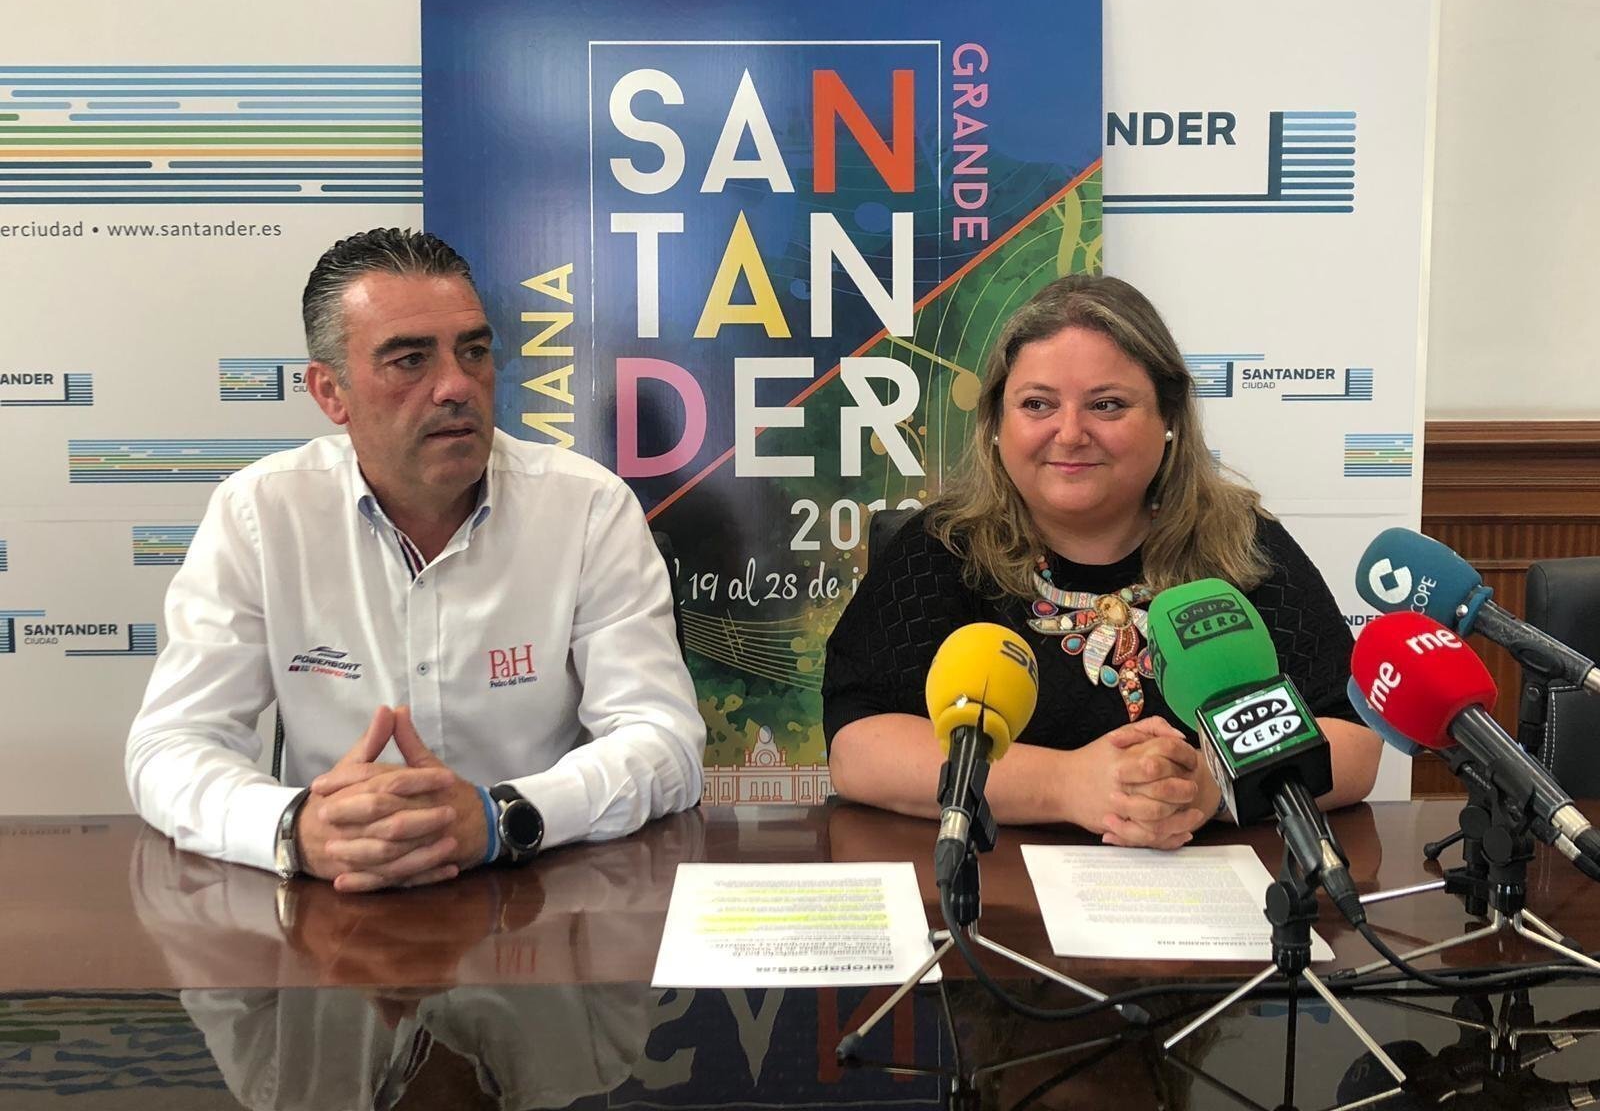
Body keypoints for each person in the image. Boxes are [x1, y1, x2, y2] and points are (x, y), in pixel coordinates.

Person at [126, 228, 705, 890]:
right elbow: (171, 747)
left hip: (537, 890)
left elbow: (665, 741)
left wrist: (502, 816)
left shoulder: (587, 508)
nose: (456, 386)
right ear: (330, 392)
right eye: (410, 361)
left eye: (474, 352)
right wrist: (296, 828)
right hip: (336, 898)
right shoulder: (261, 513)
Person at [822, 274, 1379, 849]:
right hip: (993, 882)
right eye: (1037, 404)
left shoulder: (1241, 541)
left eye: (1106, 405)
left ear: (1169, 418)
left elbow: (1351, 738)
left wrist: (1209, 785)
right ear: (996, 424)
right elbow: (859, 748)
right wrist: (1064, 784)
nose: (1070, 434)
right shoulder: (943, 546)